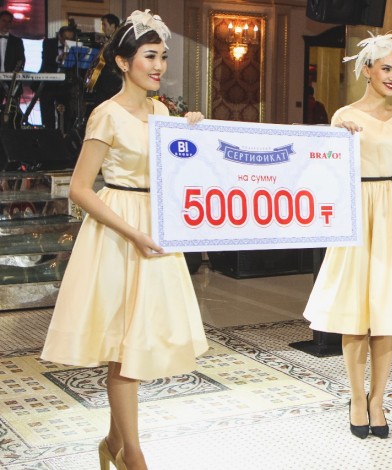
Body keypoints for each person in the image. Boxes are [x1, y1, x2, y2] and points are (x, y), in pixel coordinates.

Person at [41, 10, 208, 469]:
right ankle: (132, 455)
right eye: (150, 56)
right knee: (123, 349)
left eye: (163, 57)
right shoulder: (106, 114)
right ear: (122, 61)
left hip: (157, 230)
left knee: (140, 342)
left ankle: (114, 444)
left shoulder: (163, 112)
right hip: (119, 232)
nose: (159, 66)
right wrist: (133, 231)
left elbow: (181, 172)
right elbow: (79, 188)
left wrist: (193, 133)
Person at [303, 31, 392, 439]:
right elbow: (326, 169)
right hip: (359, 212)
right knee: (356, 311)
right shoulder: (344, 116)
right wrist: (337, 139)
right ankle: (356, 398)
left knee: (386, 313)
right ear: (367, 70)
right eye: (386, 69)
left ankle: (377, 399)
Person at [35, 26, 76, 131]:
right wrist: (59, 58)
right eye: (65, 38)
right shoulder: (49, 43)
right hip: (48, 83)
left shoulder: (74, 46)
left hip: (64, 84)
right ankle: (48, 133)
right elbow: (46, 58)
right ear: (60, 36)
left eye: (70, 39)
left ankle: (64, 133)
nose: (67, 42)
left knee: (66, 110)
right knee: (47, 111)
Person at [0, 10, 25, 111]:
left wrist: (16, 71)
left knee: (12, 111)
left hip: (12, 82)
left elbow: (21, 59)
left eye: (9, 22)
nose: (6, 24)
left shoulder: (17, 41)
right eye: (3, 21)